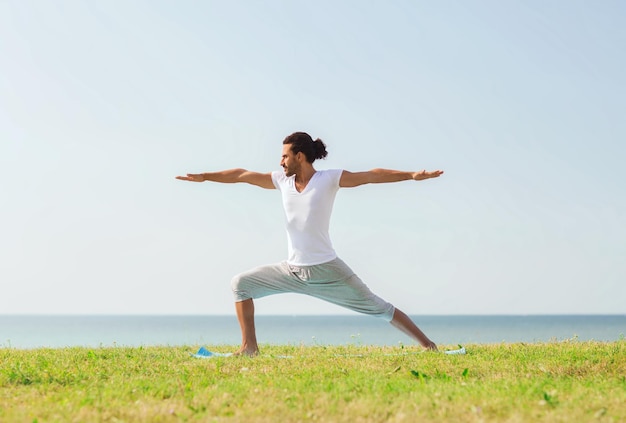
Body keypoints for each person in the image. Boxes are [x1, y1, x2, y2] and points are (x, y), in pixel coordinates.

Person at [176, 132, 443, 355]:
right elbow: (241, 175)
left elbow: (371, 175)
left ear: (299, 156)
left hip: (327, 270)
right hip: (292, 271)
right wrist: (205, 176)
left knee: (379, 308)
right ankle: (249, 348)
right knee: (240, 285)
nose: (280, 161)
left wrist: (411, 175)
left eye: (284, 156)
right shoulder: (282, 182)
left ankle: (429, 345)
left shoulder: (328, 180)